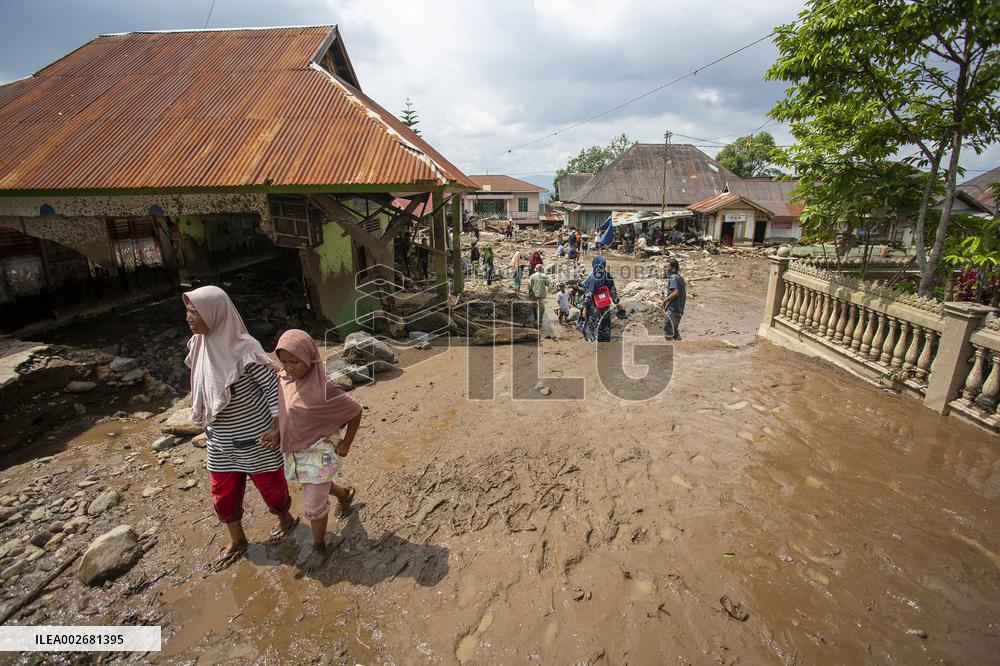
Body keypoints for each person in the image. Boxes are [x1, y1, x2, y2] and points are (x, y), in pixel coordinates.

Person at [183, 286, 297, 569]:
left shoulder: (245, 348)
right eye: (187, 310)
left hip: (258, 437)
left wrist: (276, 426)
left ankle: (285, 519)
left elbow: (273, 387)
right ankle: (238, 538)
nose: (188, 317)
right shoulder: (199, 345)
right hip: (220, 438)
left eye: (194, 311)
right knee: (223, 493)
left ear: (215, 313)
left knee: (272, 489)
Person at [273, 330, 363, 571]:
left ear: (310, 359)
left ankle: (319, 545)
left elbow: (355, 411)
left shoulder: (324, 387)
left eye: (294, 361)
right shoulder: (284, 378)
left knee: (313, 505)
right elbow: (283, 409)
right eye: (284, 361)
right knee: (315, 485)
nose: (289, 367)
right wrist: (276, 432)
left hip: (318, 452)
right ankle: (344, 494)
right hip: (296, 450)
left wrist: (346, 443)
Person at [580, 256, 621, 342]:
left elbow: (589, 295)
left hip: (594, 306)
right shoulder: (608, 276)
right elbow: (613, 292)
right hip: (605, 305)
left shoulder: (593, 277)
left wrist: (584, 309)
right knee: (604, 323)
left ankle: (593, 341)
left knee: (593, 325)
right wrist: (618, 305)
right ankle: (605, 342)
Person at [662, 258, 686, 341]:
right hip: (679, 310)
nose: (664, 269)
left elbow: (676, 293)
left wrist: (665, 300)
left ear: (673, 268)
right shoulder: (679, 278)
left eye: (666, 267)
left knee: (667, 331)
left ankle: (670, 351)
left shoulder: (673, 277)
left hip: (672, 310)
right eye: (664, 267)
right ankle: (680, 350)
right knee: (675, 332)